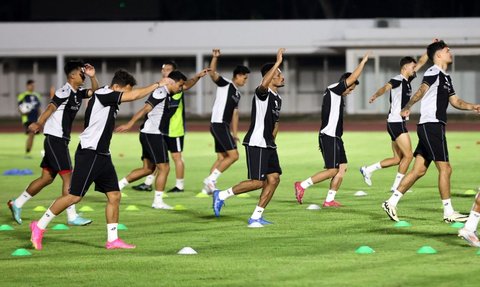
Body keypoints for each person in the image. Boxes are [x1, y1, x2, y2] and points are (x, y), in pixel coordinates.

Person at [29, 70, 171, 250]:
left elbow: (130, 94)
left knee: (114, 195)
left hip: (103, 154)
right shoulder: (105, 94)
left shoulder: (108, 96)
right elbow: (134, 96)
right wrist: (158, 84)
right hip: (90, 153)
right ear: (117, 87)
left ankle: (112, 240)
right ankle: (39, 226)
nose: (125, 95)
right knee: (73, 197)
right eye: (124, 91)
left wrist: (93, 76)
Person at [382, 40, 480, 223]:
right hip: (431, 125)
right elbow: (421, 90)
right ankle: (448, 212)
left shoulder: (446, 77)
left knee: (419, 170)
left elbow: (456, 101)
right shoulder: (433, 72)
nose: (450, 51)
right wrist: (408, 105)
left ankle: (391, 202)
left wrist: (472, 106)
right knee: (445, 168)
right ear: (439, 55)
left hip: (433, 126)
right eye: (446, 49)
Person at [8, 61, 98, 226]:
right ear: (72, 75)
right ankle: (71, 216)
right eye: (81, 73)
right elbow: (50, 108)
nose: (83, 75)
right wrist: (39, 123)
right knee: (68, 177)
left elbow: (96, 91)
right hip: (55, 139)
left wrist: (93, 76)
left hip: (59, 140)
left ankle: (17, 203)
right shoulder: (64, 91)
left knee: (46, 178)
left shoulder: (78, 92)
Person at [212, 48, 285, 228]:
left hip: (268, 144)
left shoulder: (278, 99)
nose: (282, 77)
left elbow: (275, 123)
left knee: (274, 179)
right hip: (256, 142)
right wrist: (276, 62)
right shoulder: (263, 94)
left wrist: (273, 142)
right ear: (269, 76)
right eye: (278, 74)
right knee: (257, 182)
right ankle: (221, 195)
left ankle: (256, 217)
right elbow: (263, 85)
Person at [294, 53, 370, 207]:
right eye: (350, 88)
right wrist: (362, 62)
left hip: (334, 137)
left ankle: (329, 200)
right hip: (329, 136)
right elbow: (352, 77)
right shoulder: (334, 89)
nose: (350, 91)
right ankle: (302, 185)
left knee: (342, 168)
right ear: (345, 83)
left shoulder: (337, 96)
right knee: (332, 170)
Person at [131, 61, 209, 192]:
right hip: (160, 128)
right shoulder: (163, 88)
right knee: (159, 161)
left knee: (174, 158)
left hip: (174, 128)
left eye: (168, 69)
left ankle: (179, 185)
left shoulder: (175, 87)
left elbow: (186, 85)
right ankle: (149, 184)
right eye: (163, 69)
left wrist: (197, 76)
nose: (164, 72)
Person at [116, 71, 187, 209]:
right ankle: (158, 202)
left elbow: (186, 84)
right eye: (180, 85)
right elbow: (145, 109)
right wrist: (130, 123)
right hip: (153, 134)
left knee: (148, 169)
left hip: (149, 133)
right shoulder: (160, 92)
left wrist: (196, 77)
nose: (181, 88)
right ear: (171, 82)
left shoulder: (169, 92)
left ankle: (118, 186)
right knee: (164, 167)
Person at [360, 52, 428, 192]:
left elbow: (421, 62)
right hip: (396, 122)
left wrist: (430, 50)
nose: (414, 69)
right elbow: (386, 87)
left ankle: (368, 169)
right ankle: (396, 186)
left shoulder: (407, 81)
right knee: (409, 156)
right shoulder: (398, 79)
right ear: (404, 67)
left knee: (397, 158)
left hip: (396, 122)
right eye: (412, 67)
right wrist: (375, 95)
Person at [201, 48, 250, 195]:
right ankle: (210, 180)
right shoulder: (226, 84)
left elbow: (235, 114)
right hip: (218, 123)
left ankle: (207, 188)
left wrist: (234, 134)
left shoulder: (237, 93)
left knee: (222, 157)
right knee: (234, 156)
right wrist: (214, 57)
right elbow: (212, 73)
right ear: (238, 75)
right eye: (244, 78)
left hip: (223, 126)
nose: (245, 81)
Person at [17, 79, 42, 158]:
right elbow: (20, 108)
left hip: (35, 119)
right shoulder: (22, 95)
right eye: (31, 85)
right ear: (27, 86)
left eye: (33, 85)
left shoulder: (37, 95)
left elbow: (39, 108)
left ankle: (28, 152)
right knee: (31, 134)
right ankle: (27, 153)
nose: (32, 87)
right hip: (27, 119)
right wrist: (22, 112)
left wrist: (41, 118)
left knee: (32, 135)